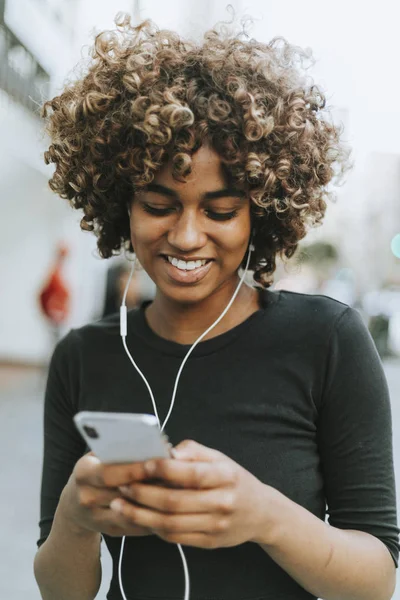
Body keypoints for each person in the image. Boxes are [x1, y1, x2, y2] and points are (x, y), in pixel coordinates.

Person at [34, 14, 399, 600]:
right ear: (120, 205)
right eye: (158, 204)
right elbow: (61, 591)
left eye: (221, 211)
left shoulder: (327, 340)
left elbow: (376, 581)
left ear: (261, 211)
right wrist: (76, 518)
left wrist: (265, 518)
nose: (185, 236)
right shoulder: (84, 356)